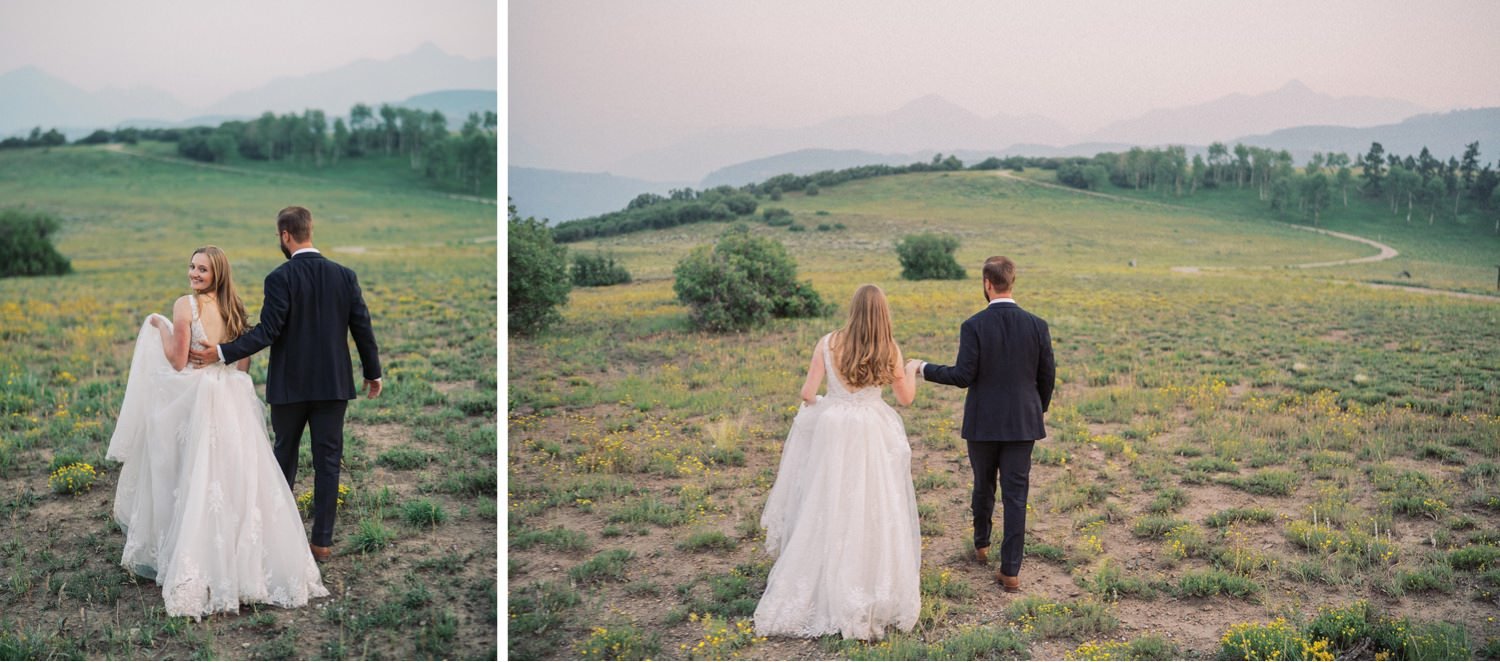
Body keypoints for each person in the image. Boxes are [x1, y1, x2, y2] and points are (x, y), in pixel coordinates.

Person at [108, 246, 328, 620]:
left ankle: (198, 557)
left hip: (200, 398)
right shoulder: (235, 308)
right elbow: (241, 362)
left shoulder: (183, 307)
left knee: (195, 475)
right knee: (236, 477)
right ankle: (248, 566)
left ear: (216, 273)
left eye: (202, 269)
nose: (193, 274)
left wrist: (159, 326)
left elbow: (178, 361)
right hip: (233, 397)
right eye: (191, 266)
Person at [189, 206, 382, 562]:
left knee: (283, 459)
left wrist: (221, 351)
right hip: (333, 386)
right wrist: (373, 372)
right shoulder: (345, 276)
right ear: (310, 231)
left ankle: (279, 538)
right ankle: (321, 543)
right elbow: (362, 328)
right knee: (328, 461)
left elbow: (268, 331)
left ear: (285, 236)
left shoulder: (279, 278)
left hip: (289, 389)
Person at [754, 284, 921, 641]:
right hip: (871, 430)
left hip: (835, 431)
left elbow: (806, 393)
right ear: (883, 313)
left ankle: (819, 579)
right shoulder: (889, 349)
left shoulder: (828, 342)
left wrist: (828, 405)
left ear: (853, 309)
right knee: (872, 502)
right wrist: (908, 370)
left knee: (828, 500)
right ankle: (868, 577)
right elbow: (905, 398)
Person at [910, 255, 1054, 593]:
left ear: (987, 284)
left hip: (983, 424)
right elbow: (1047, 376)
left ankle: (981, 545)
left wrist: (922, 367)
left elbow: (962, 376)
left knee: (983, 486)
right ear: (1011, 282)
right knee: (1016, 497)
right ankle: (1011, 570)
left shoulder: (973, 325)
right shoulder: (1037, 325)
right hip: (1023, 424)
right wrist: (1035, 411)